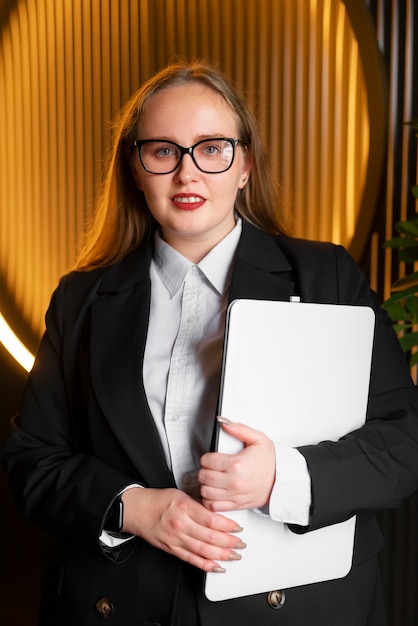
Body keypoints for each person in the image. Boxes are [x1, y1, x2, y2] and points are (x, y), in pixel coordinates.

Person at [2, 59, 418, 626]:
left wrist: (283, 476)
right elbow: (32, 463)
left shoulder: (328, 278)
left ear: (244, 164)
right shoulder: (80, 300)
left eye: (213, 148)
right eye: (163, 151)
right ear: (137, 168)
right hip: (125, 605)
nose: (187, 173)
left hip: (300, 608)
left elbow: (404, 444)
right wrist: (133, 507)